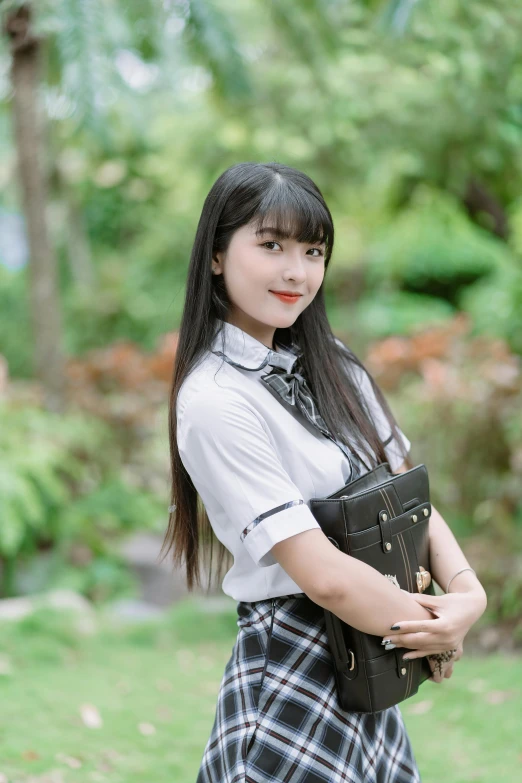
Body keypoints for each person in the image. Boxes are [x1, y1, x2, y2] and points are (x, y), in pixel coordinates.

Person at [162, 161, 487, 782]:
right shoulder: (214, 399)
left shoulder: (332, 363)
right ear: (216, 257)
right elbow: (323, 576)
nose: (297, 271)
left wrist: (468, 594)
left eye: (314, 251)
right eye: (271, 245)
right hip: (294, 667)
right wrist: (433, 625)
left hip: (371, 652)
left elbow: (403, 490)